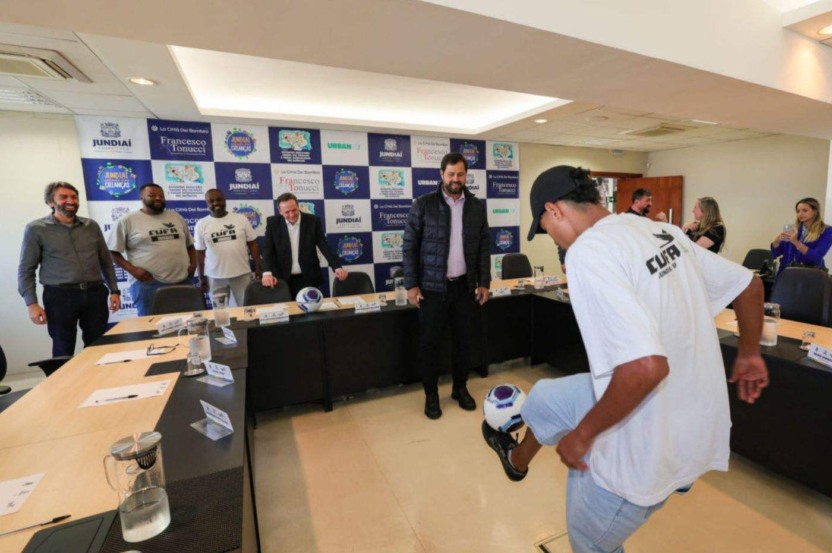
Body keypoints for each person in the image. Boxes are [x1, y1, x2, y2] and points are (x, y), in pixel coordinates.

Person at [482, 165, 768, 553]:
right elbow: (749, 286)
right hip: (695, 424)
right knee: (546, 399)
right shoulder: (659, 231)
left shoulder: (587, 252)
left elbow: (646, 367)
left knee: (590, 543)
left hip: (648, 441)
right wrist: (749, 353)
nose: (553, 239)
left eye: (546, 228)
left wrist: (582, 436)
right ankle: (517, 461)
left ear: (554, 210)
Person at [403, 152, 491, 420]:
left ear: (466, 176)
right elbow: (409, 247)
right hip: (432, 289)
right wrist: (411, 285)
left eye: (460, 174)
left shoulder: (476, 206)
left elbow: (484, 247)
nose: (456, 179)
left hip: (464, 287)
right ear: (442, 174)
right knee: (430, 344)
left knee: (463, 342)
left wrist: (484, 282)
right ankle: (431, 394)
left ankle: (460, 388)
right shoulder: (423, 204)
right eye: (451, 174)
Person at [18, 182, 121, 356]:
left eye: (74, 197)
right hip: (60, 296)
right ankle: (63, 376)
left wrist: (114, 290)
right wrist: (31, 304)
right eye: (63, 197)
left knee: (97, 345)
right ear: (50, 202)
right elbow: (26, 270)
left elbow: (105, 260)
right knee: (63, 347)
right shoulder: (36, 229)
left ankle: (94, 374)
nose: (71, 201)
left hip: (95, 294)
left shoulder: (91, 226)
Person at [107, 183, 196, 316]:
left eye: (161, 196)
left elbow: (190, 245)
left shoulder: (176, 217)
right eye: (152, 195)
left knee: (189, 322)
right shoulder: (127, 221)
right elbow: (112, 252)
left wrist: (193, 265)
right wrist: (133, 270)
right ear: (141, 197)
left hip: (183, 281)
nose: (158, 198)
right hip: (148, 284)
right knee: (151, 326)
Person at [261, 192, 347, 297]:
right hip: (281, 278)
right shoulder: (273, 223)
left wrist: (337, 267)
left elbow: (323, 245)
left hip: (308, 277)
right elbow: (268, 248)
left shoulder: (313, 221)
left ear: (298, 206)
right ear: (280, 211)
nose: (292, 215)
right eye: (287, 212)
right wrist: (266, 273)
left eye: (294, 210)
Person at [194, 189, 261, 306]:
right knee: (220, 313)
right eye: (211, 201)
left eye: (219, 200)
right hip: (215, 278)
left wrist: (258, 267)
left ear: (225, 200)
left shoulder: (241, 219)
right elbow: (199, 252)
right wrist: (201, 277)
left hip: (242, 274)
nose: (216, 203)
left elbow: (253, 244)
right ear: (207, 203)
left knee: (246, 309)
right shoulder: (201, 224)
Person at [770, 197, 832, 279]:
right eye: (798, 211)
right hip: (787, 275)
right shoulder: (793, 229)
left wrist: (796, 242)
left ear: (815, 211)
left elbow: (816, 256)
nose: (800, 214)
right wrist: (776, 241)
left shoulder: (827, 231)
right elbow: (776, 253)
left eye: (804, 210)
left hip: (810, 276)